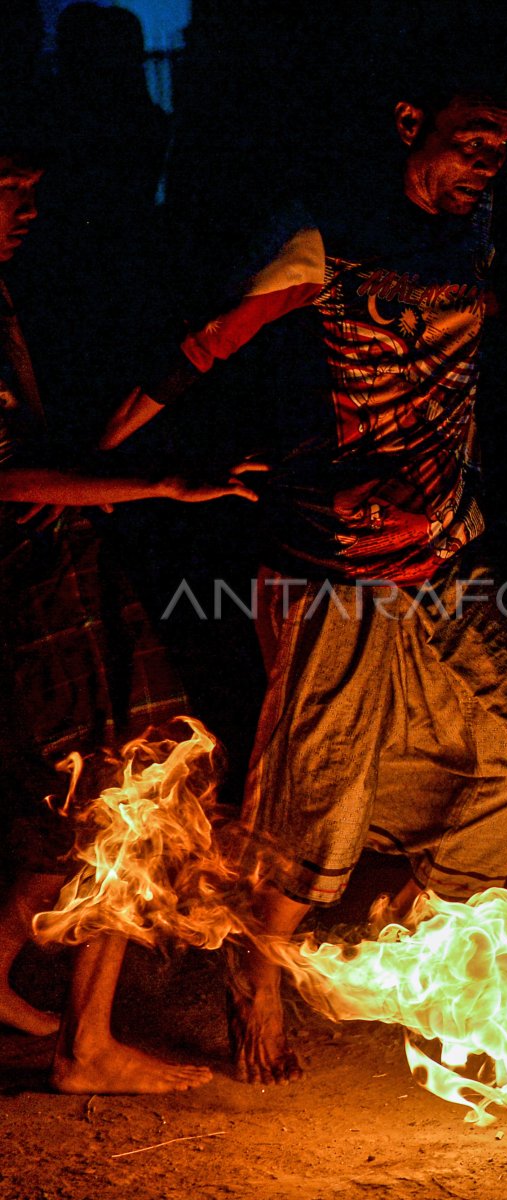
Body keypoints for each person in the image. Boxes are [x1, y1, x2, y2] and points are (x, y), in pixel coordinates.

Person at [98, 84, 507, 1086]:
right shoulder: (321, 235)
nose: (487, 160)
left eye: (501, 146)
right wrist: (97, 464)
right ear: (409, 125)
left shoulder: (475, 235)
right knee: (321, 788)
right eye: (469, 140)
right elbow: (203, 344)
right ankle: (257, 970)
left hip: (446, 556)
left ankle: (421, 923)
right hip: (334, 567)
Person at [0, 145, 262, 1092]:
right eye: (5, 191)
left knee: (58, 811)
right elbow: (6, 480)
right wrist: (158, 481)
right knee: (135, 788)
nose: (26, 207)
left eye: (32, 187)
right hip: (32, 588)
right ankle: (87, 1047)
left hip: (53, 575)